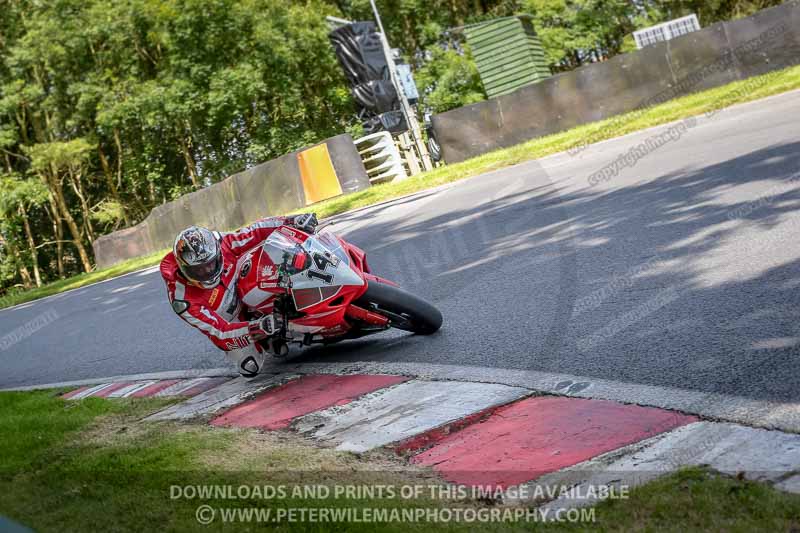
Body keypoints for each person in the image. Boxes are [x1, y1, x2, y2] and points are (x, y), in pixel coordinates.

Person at [160, 213, 318, 377]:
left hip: (245, 283)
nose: (207, 271)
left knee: (272, 257)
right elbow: (220, 332)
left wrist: (292, 221)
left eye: (211, 263)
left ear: (218, 253)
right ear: (183, 268)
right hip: (231, 320)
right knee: (250, 367)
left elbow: (253, 231)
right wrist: (256, 329)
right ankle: (267, 339)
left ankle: (301, 301)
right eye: (198, 269)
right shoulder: (182, 299)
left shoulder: (221, 243)